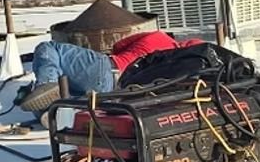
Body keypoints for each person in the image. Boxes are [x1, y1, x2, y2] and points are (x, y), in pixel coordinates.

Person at [18, 29, 188, 118]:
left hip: (107, 68)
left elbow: (118, 46)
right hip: (116, 96)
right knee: (65, 95)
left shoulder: (160, 36)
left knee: (49, 48)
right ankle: (55, 113)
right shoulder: (178, 71)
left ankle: (46, 83)